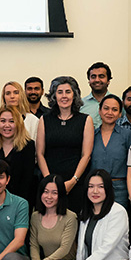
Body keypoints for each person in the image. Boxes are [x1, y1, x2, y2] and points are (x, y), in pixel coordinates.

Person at [36, 76, 94, 214]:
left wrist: (72, 181)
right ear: (54, 96)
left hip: (75, 183)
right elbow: (40, 154)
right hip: (48, 183)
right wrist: (49, 182)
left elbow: (86, 155)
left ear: (74, 94)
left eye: (68, 92)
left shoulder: (85, 120)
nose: (64, 96)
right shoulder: (44, 119)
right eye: (59, 92)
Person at [0, 105, 38, 205]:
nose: (7, 125)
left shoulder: (28, 145)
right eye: (3, 121)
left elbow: (27, 180)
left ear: (18, 123)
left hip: (19, 200)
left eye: (11, 121)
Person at [90, 95, 131, 211]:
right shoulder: (91, 135)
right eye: (106, 108)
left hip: (119, 189)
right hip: (95, 188)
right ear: (99, 111)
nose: (110, 112)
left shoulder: (127, 135)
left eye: (114, 110)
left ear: (120, 114)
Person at [80, 61, 112, 129]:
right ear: (89, 81)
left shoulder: (119, 103)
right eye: (93, 77)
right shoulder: (80, 104)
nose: (97, 80)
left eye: (101, 76)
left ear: (108, 81)